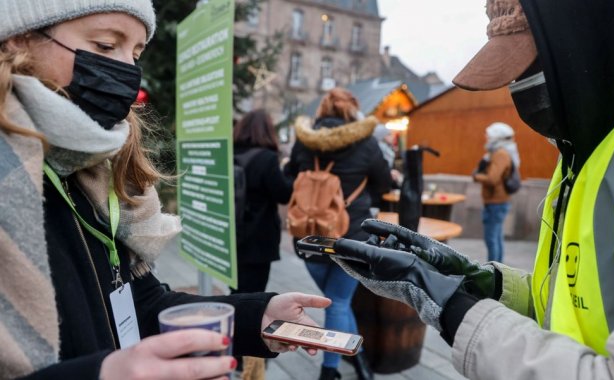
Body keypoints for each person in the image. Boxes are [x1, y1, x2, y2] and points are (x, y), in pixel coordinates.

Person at [331, 0, 614, 379]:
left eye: (530, 65)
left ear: (597, 38)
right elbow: (562, 306)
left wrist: (452, 308)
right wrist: (479, 279)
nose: (518, 87)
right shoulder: (588, 148)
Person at [0, 1, 331, 379]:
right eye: (106, 46)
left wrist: (257, 315)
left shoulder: (89, 166)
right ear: (18, 38)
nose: (127, 69)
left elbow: (141, 301)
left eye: (137, 53)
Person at [284, 88, 392, 380]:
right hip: (351, 238)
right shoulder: (367, 144)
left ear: (322, 110)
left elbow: (289, 177)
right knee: (339, 302)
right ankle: (329, 371)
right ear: (352, 111)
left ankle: (357, 360)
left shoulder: (303, 142)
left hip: (308, 238)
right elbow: (384, 185)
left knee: (336, 302)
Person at [232, 109, 293, 294]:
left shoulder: (230, 153)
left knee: (236, 288)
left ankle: (235, 320)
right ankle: (245, 323)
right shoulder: (266, 158)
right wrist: (290, 172)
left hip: (232, 233)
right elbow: (283, 194)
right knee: (253, 292)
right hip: (257, 238)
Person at [472, 122, 520, 262]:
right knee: (496, 237)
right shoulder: (500, 152)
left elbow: (492, 179)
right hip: (498, 201)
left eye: (489, 136)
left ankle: (493, 270)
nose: (487, 138)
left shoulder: (500, 154)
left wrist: (476, 176)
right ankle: (498, 268)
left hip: (496, 202)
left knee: (491, 239)